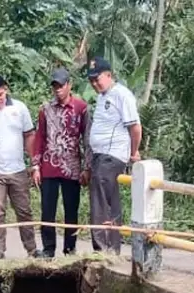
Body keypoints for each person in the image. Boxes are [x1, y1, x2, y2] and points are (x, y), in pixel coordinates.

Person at [0, 74, 39, 259]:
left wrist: (34, 162)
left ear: (6, 89)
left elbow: (29, 136)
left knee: (24, 211)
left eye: (0, 94)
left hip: (18, 169)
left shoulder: (19, 108)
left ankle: (32, 250)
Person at [33, 67, 91, 257]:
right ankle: (48, 249)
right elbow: (39, 138)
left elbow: (87, 139)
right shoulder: (45, 110)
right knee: (47, 211)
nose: (57, 89)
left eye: (61, 85)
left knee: (71, 211)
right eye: (54, 86)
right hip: (49, 167)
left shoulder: (81, 108)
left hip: (72, 168)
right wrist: (36, 165)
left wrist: (86, 168)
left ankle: (70, 248)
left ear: (69, 85)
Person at [86, 57, 141, 255]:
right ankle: (112, 247)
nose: (94, 83)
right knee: (109, 200)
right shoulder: (103, 96)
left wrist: (133, 152)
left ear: (109, 75)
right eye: (91, 80)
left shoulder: (121, 95)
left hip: (112, 155)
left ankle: (103, 249)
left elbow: (135, 127)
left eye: (97, 79)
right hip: (101, 155)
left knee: (100, 201)